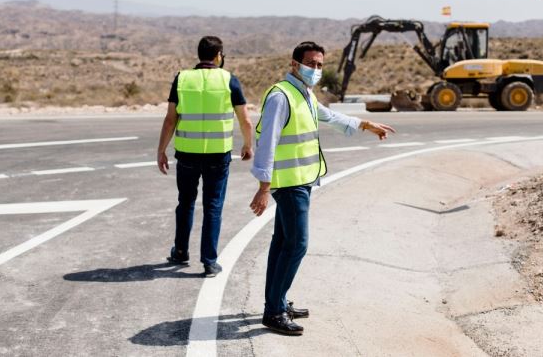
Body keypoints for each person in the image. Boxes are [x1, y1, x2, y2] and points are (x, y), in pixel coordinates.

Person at [250, 41, 395, 335]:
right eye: (310, 64)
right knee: (297, 245)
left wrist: (366, 124)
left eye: (319, 65)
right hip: (289, 183)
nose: (315, 69)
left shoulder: (305, 95)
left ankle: (276, 302)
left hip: (301, 179)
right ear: (294, 65)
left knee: (282, 244)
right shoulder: (281, 96)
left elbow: (331, 116)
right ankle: (274, 312)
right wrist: (263, 186)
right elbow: (267, 142)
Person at [157, 36, 253, 277]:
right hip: (217, 156)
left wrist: (161, 150)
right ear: (219, 54)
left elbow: (171, 119)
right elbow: (246, 120)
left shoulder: (182, 78)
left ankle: (180, 252)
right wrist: (248, 145)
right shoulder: (229, 80)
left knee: (186, 202)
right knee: (213, 206)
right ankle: (209, 261)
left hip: (187, 154)